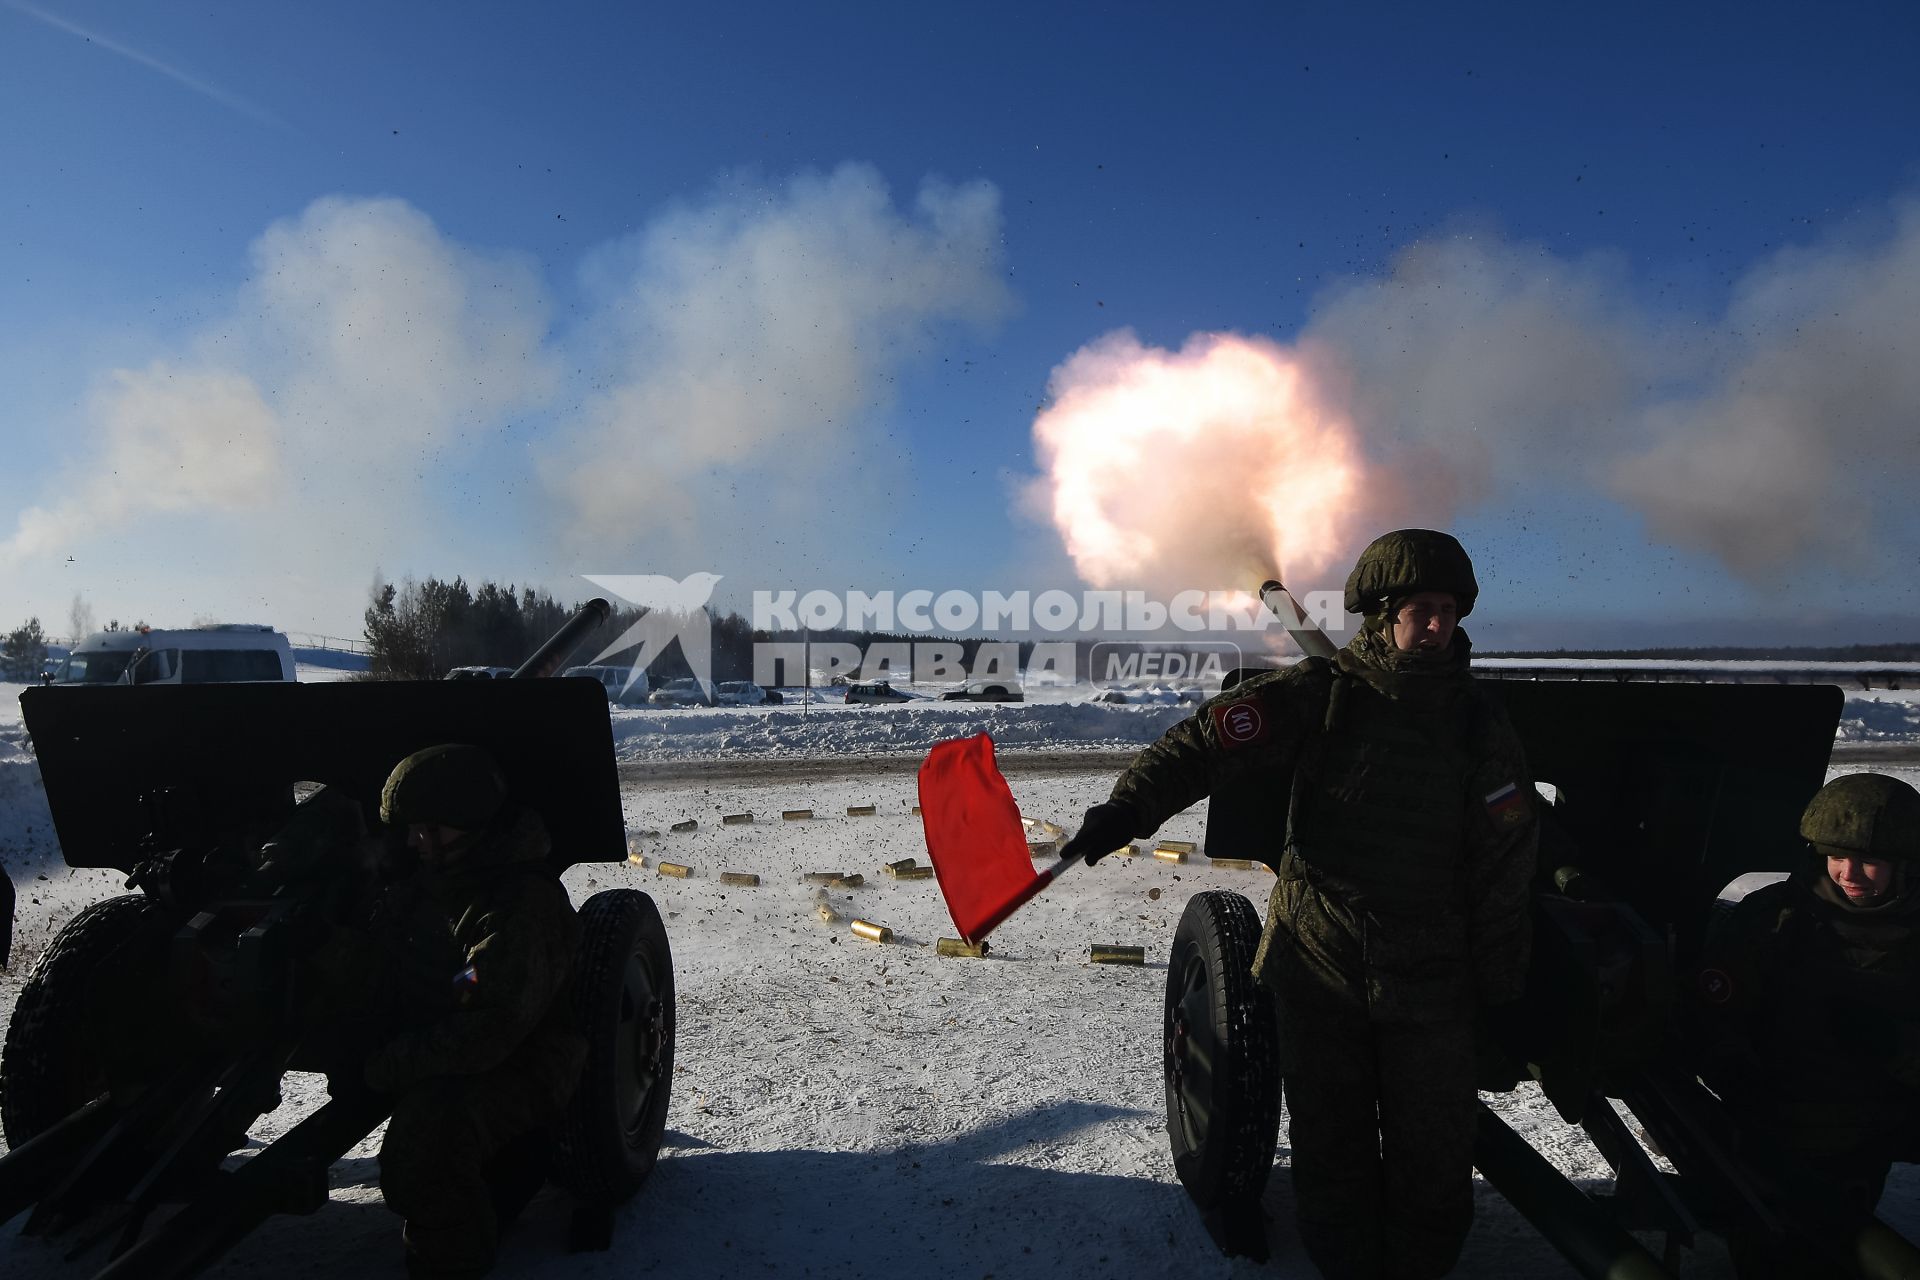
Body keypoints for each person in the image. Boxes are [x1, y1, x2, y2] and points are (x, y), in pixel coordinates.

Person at [1061, 529, 1538, 1280]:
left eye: (1448, 610)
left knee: (1435, 1157)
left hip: (1432, 975)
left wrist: (1503, 987)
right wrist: (1129, 810)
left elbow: (1503, 861)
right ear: (1382, 615)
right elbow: (1202, 745)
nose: (1439, 625)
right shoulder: (1321, 695)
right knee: (1333, 1147)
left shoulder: (1479, 725)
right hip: (1324, 964)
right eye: (1422, 609)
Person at [366, 743, 587, 1280]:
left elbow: (489, 1029)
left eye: (430, 830)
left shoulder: (520, 905)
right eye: (411, 830)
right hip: (451, 1029)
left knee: (424, 1147)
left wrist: (389, 1063)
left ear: (471, 825)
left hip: (526, 1059)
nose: (415, 843)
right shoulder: (440, 879)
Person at [1692, 772, 1920, 1275]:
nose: (1849, 873)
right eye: (1836, 857)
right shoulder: (1776, 920)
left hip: (1871, 1131)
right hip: (1773, 1124)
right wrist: (1732, 1067)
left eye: (1869, 861)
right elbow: (1711, 1015)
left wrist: (1897, 1048)